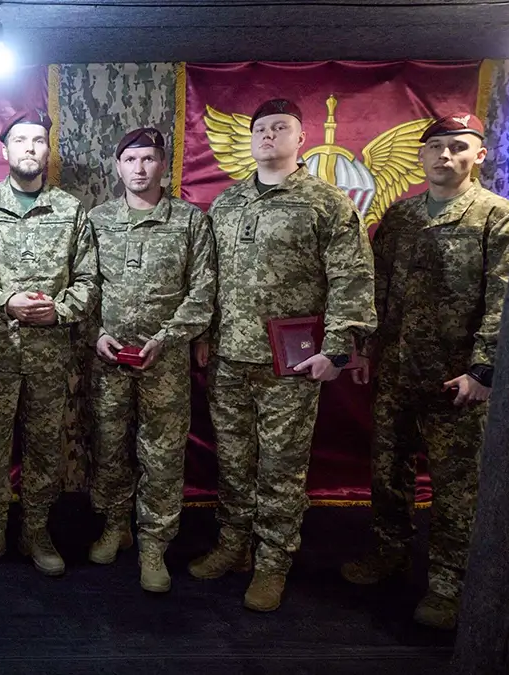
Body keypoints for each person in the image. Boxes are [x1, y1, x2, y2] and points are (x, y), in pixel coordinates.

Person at [340, 112, 509, 630]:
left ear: (479, 155)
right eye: (436, 146)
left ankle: (449, 584)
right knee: (388, 472)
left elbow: (506, 301)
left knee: (456, 486)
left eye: (458, 146)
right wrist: (366, 348)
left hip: (457, 380)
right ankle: (390, 552)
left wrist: (483, 371)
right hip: (397, 370)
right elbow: (376, 287)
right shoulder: (401, 217)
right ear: (421, 155)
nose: (445, 155)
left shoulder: (499, 218)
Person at [191, 99, 376, 612]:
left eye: (280, 128)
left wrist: (337, 350)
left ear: (300, 139)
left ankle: (273, 562)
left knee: (281, 467)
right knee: (233, 461)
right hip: (229, 358)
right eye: (261, 129)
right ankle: (234, 544)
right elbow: (208, 278)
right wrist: (204, 335)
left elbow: (352, 277)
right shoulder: (227, 203)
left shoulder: (326, 202)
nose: (269, 136)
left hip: (291, 365)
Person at [0, 109, 99, 578]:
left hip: (50, 357)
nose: (30, 148)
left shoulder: (69, 211)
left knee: (44, 448)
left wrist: (60, 310)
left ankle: (35, 530)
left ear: (47, 150)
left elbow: (88, 281)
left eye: (38, 140)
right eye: (20, 140)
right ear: (5, 149)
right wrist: (6, 301)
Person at [86, 127, 216, 592]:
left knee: (162, 453)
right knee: (109, 445)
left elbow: (203, 290)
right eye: (130, 160)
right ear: (117, 167)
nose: (139, 169)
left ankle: (154, 543)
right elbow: (83, 283)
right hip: (109, 360)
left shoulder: (189, 221)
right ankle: (114, 524)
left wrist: (169, 337)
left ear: (163, 165)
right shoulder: (97, 220)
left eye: (148, 159)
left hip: (165, 361)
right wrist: (96, 334)